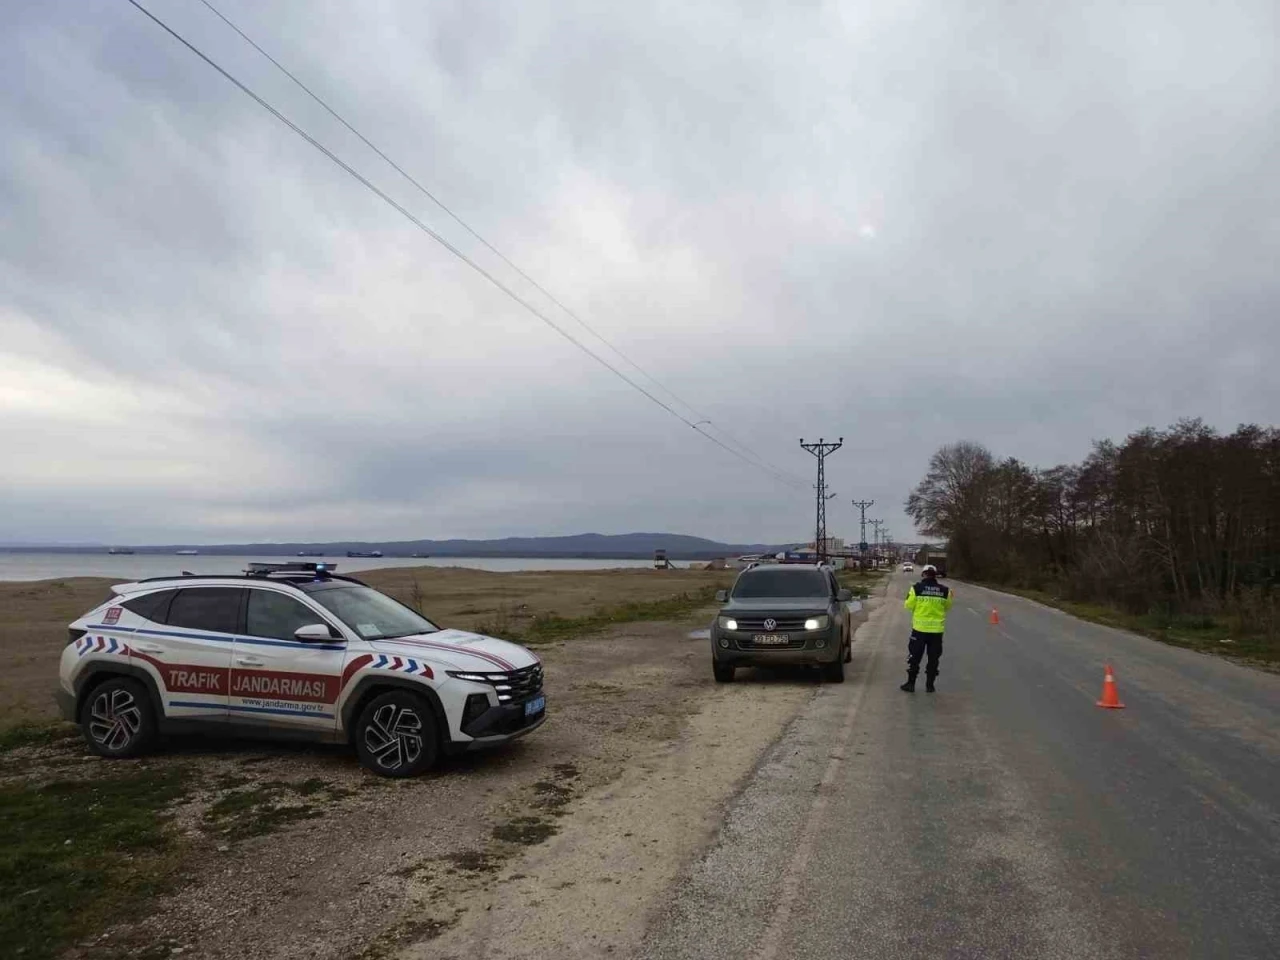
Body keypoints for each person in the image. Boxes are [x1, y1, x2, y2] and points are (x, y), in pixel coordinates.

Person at [901, 564, 953, 693]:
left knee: (914, 657)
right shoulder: (945, 591)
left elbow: (908, 605)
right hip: (936, 631)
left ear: (923, 574)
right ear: (935, 575)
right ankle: (930, 686)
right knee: (933, 658)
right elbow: (947, 607)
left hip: (919, 630)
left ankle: (911, 684)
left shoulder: (916, 588)